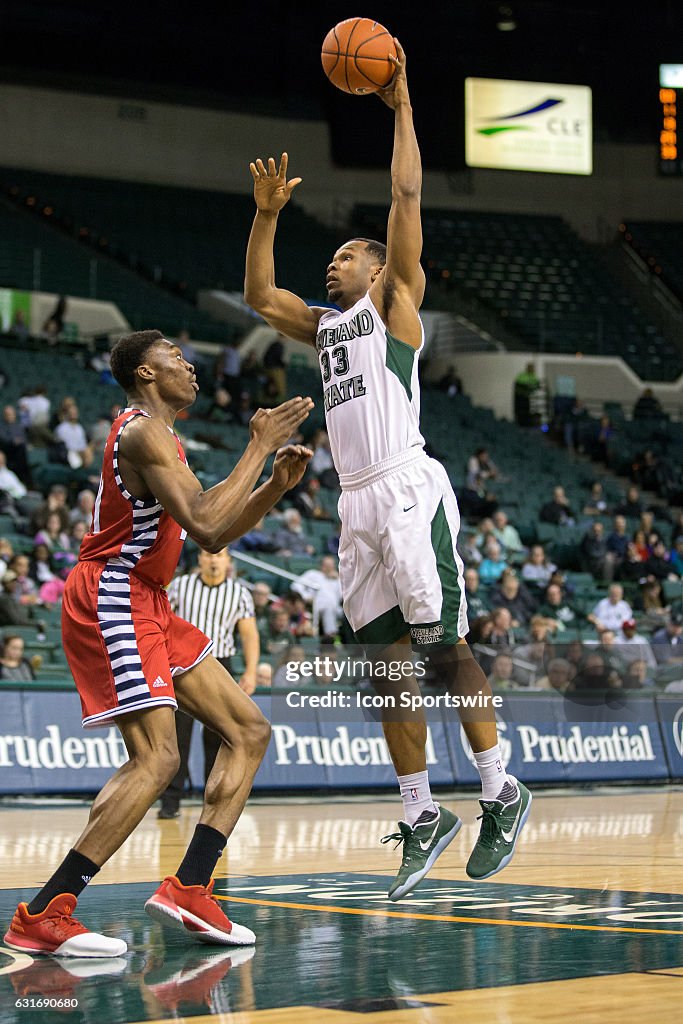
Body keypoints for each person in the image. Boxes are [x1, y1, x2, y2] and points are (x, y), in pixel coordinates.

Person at [244, 43, 531, 899]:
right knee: (385, 670)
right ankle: (420, 812)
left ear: (377, 267)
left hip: (407, 487)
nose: (332, 264)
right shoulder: (327, 326)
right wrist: (265, 217)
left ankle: (499, 791)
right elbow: (260, 298)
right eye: (329, 258)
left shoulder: (393, 302)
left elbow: (406, 193)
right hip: (355, 506)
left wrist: (401, 102)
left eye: (345, 256)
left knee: (444, 652)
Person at [4, 329, 313, 957]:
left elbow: (215, 533)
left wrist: (272, 489)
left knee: (249, 731)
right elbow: (203, 521)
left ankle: (191, 886)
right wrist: (257, 446)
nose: (192, 366)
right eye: (176, 358)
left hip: (150, 600)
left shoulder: (164, 437)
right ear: (146, 373)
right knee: (158, 760)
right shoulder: (142, 431)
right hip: (114, 594)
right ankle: (45, 912)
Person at [159, 546, 260, 819]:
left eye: (219, 556)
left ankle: (213, 803)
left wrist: (250, 671)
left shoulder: (239, 593)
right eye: (209, 555)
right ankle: (170, 804)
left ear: (228, 561)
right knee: (177, 736)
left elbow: (249, 634)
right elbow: (162, 620)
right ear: (200, 560)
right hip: (182, 664)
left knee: (218, 739)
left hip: (221, 663)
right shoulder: (181, 586)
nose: (214, 560)